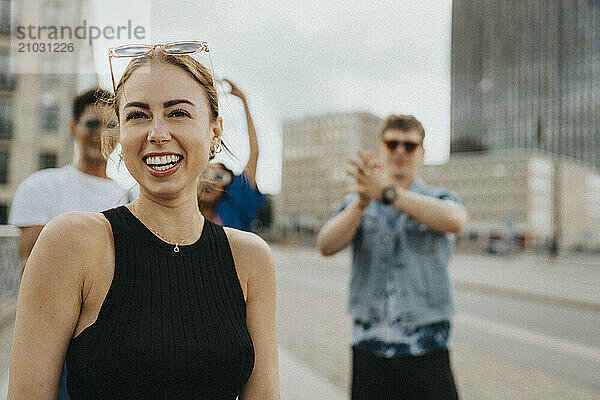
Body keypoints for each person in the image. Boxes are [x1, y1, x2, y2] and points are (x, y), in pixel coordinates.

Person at [8, 42, 279, 399]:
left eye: (178, 112)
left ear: (214, 130)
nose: (157, 133)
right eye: (137, 115)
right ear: (119, 133)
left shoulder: (251, 258)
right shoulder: (72, 242)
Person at [316, 114, 467, 400]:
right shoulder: (357, 200)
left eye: (409, 146)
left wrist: (387, 193)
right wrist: (362, 203)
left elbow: (456, 221)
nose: (400, 151)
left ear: (421, 153)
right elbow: (325, 245)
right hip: (369, 349)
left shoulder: (440, 197)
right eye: (392, 143)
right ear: (382, 148)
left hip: (427, 348)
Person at [8, 87, 132, 400]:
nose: (101, 133)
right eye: (92, 124)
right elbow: (30, 267)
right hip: (58, 341)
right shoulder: (41, 186)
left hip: (119, 342)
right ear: (73, 128)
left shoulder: (131, 197)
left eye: (111, 125)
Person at [198, 78, 265, 232]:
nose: (209, 181)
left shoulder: (236, 206)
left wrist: (244, 101)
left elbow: (254, 153)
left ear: (227, 188)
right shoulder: (182, 213)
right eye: (204, 174)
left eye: (218, 177)